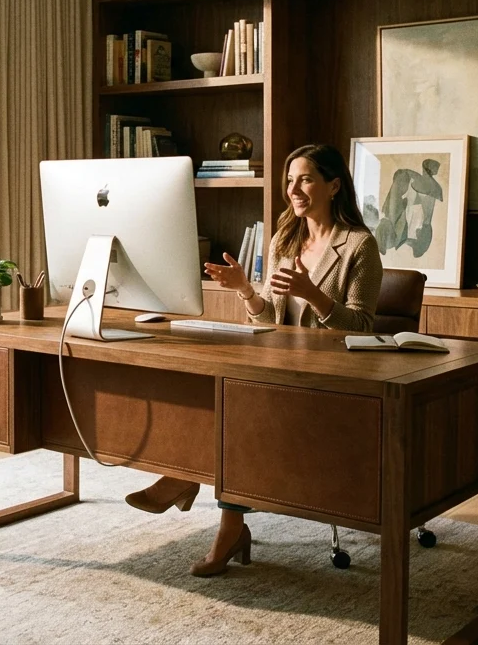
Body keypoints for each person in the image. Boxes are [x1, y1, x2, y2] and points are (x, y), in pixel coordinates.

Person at [122, 143, 384, 577]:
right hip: (279, 367)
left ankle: (194, 488)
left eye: (305, 179)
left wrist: (314, 295)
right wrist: (245, 289)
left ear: (334, 186)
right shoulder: (287, 238)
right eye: (289, 180)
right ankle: (208, 501)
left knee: (239, 410)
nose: (293, 189)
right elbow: (269, 315)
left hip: (333, 382)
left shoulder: (360, 246)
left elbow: (363, 328)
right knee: (220, 394)